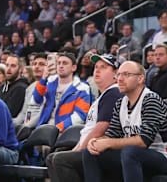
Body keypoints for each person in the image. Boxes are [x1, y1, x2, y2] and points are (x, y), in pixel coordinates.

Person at [82, 61, 167, 181]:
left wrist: (107, 142)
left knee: (131, 151)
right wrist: (95, 142)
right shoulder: (121, 103)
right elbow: (111, 135)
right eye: (118, 75)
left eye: (126, 74)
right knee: (91, 152)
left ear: (140, 79)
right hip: (136, 155)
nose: (120, 79)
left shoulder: (151, 101)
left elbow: (143, 141)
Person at [46, 54, 123, 182]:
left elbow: (101, 127)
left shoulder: (113, 92)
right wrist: (77, 148)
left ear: (115, 74)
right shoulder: (104, 95)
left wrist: (81, 148)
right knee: (52, 158)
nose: (97, 70)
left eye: (103, 67)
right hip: (90, 147)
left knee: (59, 160)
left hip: (99, 150)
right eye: (96, 67)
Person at [34, 52, 92, 131]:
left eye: (65, 63)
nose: (61, 66)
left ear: (74, 68)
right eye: (59, 63)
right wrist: (43, 78)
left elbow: (80, 116)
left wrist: (57, 129)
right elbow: (37, 100)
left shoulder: (82, 88)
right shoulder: (49, 82)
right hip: (43, 128)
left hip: (65, 132)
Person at [13, 53, 47, 128]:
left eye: (41, 64)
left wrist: (25, 127)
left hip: (39, 129)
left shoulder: (51, 86)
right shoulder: (30, 88)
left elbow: (42, 114)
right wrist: (10, 123)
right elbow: (24, 112)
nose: (37, 67)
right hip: (25, 128)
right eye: (35, 64)